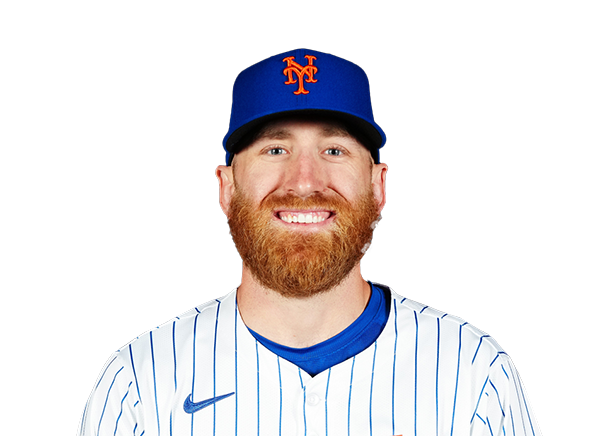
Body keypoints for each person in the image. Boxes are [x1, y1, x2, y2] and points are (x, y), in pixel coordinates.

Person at [77, 49, 542, 436]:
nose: (303, 182)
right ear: (227, 187)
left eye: (334, 150)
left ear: (377, 186)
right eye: (275, 149)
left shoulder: (472, 373)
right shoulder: (141, 381)